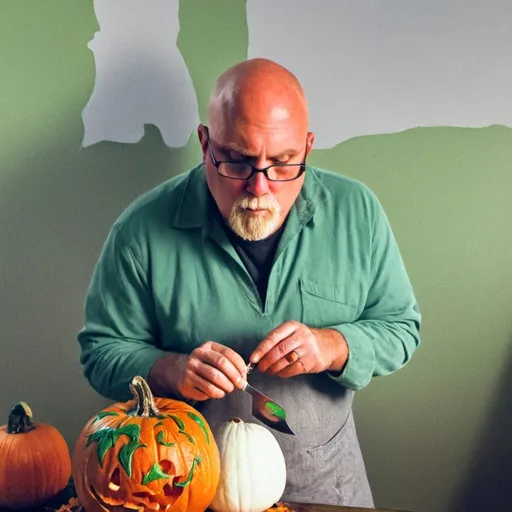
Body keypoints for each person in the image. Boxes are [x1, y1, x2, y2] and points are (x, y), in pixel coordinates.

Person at [78, 58, 421, 508]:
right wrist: (171, 369)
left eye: (282, 164)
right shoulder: (140, 230)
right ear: (205, 144)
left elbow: (402, 328)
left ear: (307, 148)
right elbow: (100, 352)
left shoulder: (358, 213)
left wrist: (332, 345)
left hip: (328, 489)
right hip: (190, 491)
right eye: (237, 162)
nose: (259, 189)